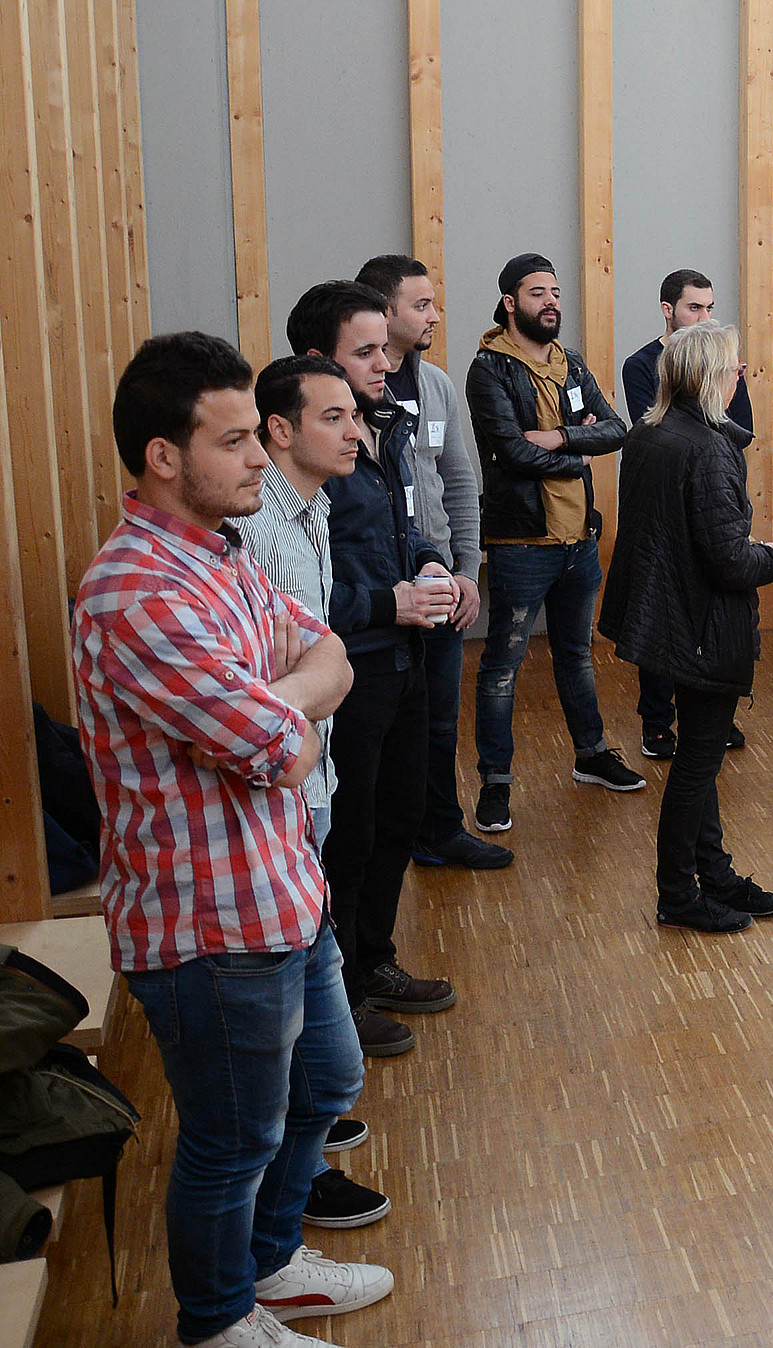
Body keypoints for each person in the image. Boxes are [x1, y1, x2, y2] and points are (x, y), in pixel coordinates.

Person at [77, 331, 389, 1348]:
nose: (261, 455)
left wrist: (275, 697)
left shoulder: (220, 553)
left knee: (327, 1083)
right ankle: (216, 1321)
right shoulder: (137, 592)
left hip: (282, 889)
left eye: (258, 434)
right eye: (235, 440)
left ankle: (270, 1263)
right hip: (208, 927)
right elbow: (285, 751)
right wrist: (290, 707)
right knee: (233, 1139)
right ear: (164, 456)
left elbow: (331, 651)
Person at [234, 354, 390, 1232]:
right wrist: (311, 687)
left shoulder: (314, 508)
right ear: (280, 430)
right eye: (335, 417)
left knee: (312, 1014)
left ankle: (309, 1135)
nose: (355, 433)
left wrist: (315, 678)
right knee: (292, 1011)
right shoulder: (257, 527)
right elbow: (270, 690)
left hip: (309, 771)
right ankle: (298, 1180)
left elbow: (321, 651)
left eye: (353, 416)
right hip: (284, 776)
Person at [288, 281, 459, 1060]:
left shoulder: (380, 430)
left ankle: (375, 960)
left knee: (398, 820)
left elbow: (405, 529)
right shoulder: (303, 459)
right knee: (348, 839)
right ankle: (343, 994)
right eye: (366, 352)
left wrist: (433, 564)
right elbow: (304, 594)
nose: (386, 363)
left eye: (385, 349)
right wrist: (392, 601)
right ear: (317, 361)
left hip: (403, 659)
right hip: (348, 676)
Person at [598, 322, 773, 932]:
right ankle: (678, 895)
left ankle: (717, 876)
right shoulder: (708, 448)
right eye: (734, 367)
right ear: (712, 376)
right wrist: (772, 558)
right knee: (696, 766)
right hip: (701, 626)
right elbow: (729, 560)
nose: (741, 376)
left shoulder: (649, 432)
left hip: (667, 619)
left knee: (697, 758)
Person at [467, 252, 642, 834]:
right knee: (503, 666)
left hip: (578, 540)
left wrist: (561, 436)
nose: (551, 303)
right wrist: (578, 453)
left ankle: (591, 755)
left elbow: (616, 430)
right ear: (510, 302)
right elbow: (511, 453)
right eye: (538, 293)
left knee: (577, 655)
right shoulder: (489, 369)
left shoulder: (571, 363)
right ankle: (495, 783)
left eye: (556, 293)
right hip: (521, 542)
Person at [354, 254, 510, 872]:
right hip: (379, 594)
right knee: (380, 732)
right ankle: (382, 843)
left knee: (440, 720)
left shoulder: (439, 385)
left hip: (441, 580)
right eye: (421, 305)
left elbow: (459, 482)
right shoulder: (349, 397)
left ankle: (439, 829)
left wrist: (466, 570)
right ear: (383, 310)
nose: (435, 317)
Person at [621, 268, 758, 760]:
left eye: (709, 307)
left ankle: (709, 713)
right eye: (694, 308)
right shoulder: (642, 365)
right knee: (664, 614)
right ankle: (658, 721)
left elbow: (740, 427)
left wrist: (728, 382)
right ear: (668, 310)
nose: (704, 317)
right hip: (670, 504)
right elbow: (665, 424)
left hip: (714, 488)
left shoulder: (724, 362)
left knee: (709, 619)